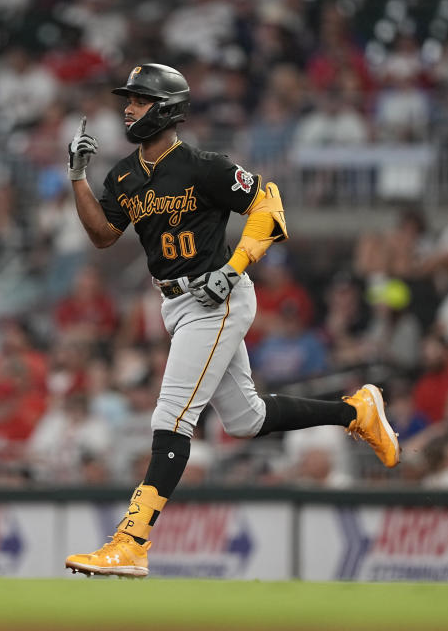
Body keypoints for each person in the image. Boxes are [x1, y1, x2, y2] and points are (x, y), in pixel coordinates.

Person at [63, 63, 399, 577]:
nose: (128, 108)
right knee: (247, 420)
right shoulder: (125, 174)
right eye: (128, 99)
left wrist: (237, 265)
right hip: (176, 302)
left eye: (139, 99)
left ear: (168, 109)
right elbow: (104, 233)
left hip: (214, 296)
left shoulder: (203, 166)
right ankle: (356, 412)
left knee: (171, 417)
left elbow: (269, 201)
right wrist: (78, 179)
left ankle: (132, 542)